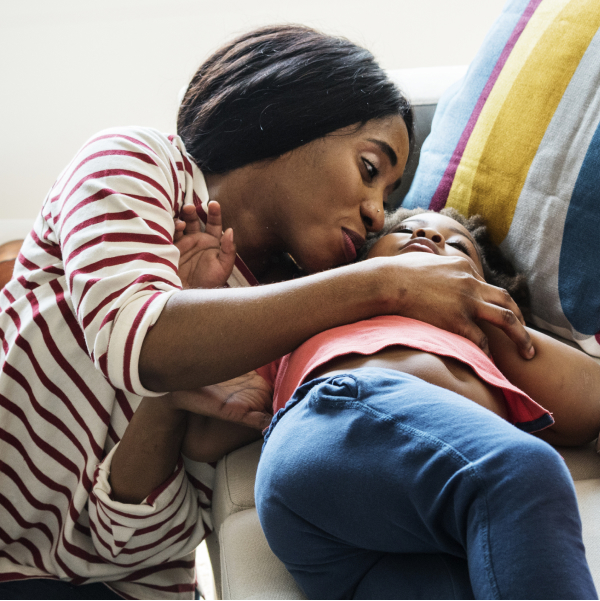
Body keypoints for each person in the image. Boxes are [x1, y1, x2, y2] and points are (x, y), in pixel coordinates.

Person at [0, 24, 536, 600]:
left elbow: (138, 543)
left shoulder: (290, 326)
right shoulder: (136, 162)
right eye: (371, 169)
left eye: (388, 196)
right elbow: (141, 342)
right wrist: (383, 284)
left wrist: (169, 399)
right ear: (296, 114)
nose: (379, 214)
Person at [179, 207, 600, 599]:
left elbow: (588, 403)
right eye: (402, 231)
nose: (426, 233)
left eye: (457, 247)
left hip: (373, 535)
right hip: (338, 420)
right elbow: (200, 438)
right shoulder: (325, 312)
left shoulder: (481, 335)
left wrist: (483, 310)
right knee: (522, 472)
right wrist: (197, 303)